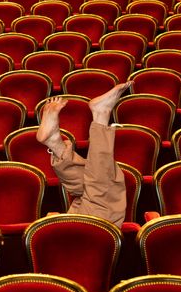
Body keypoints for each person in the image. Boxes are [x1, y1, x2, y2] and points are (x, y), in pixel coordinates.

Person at [36, 82, 131, 227]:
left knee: (101, 193)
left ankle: (100, 116)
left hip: (77, 236)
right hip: (86, 234)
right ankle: (57, 144)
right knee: (100, 191)